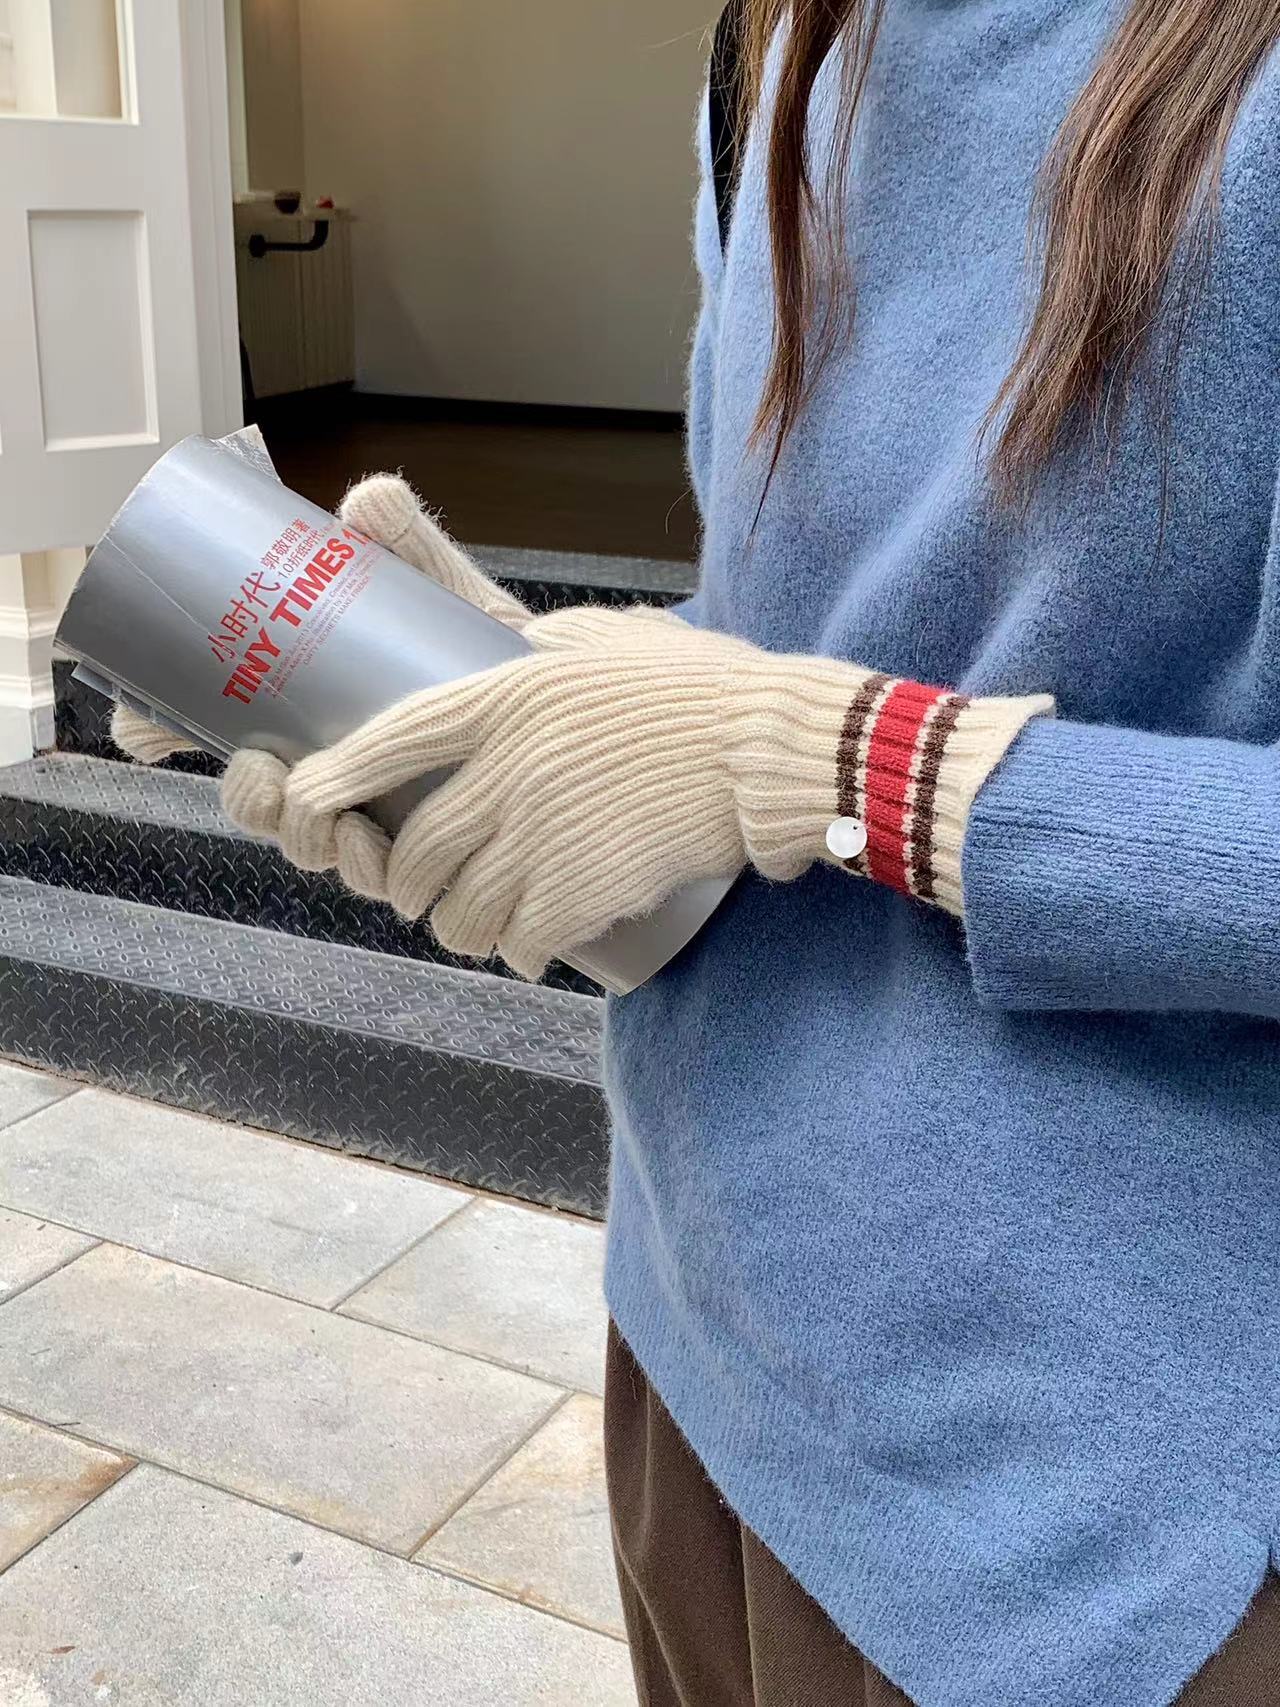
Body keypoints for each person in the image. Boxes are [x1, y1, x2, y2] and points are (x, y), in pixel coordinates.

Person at [116, 1, 1280, 1700]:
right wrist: (522, 696)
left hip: (1099, 1535)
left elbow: (812, 727)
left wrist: (830, 759)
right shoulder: (783, 36)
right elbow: (799, 621)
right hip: (700, 1347)